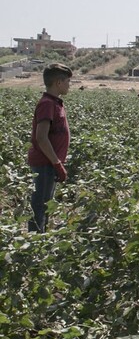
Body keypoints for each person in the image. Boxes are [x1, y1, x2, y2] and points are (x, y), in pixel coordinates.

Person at [27, 64, 73, 232]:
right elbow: (41, 137)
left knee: (45, 204)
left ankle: (39, 238)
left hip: (50, 162)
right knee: (40, 204)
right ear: (58, 82)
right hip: (45, 162)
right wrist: (57, 164)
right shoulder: (47, 104)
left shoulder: (54, 103)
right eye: (68, 81)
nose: (70, 84)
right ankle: (35, 242)